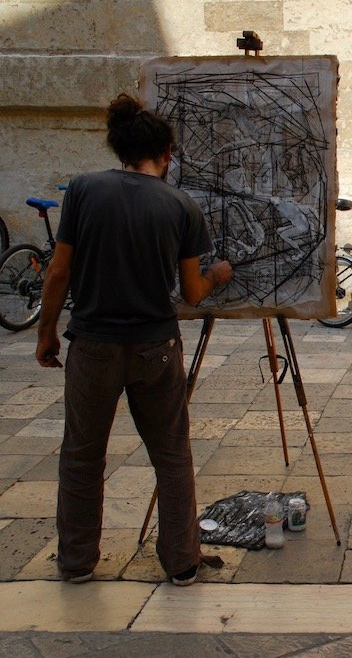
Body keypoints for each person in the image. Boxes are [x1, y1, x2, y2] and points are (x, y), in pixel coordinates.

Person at [35, 93, 233, 585]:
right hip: (155, 348)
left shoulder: (83, 190)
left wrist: (46, 332)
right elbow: (191, 292)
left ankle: (77, 561)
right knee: (171, 455)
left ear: (120, 149)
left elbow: (58, 271)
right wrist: (217, 275)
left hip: (92, 344)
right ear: (166, 154)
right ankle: (182, 561)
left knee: (82, 455)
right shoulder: (180, 205)